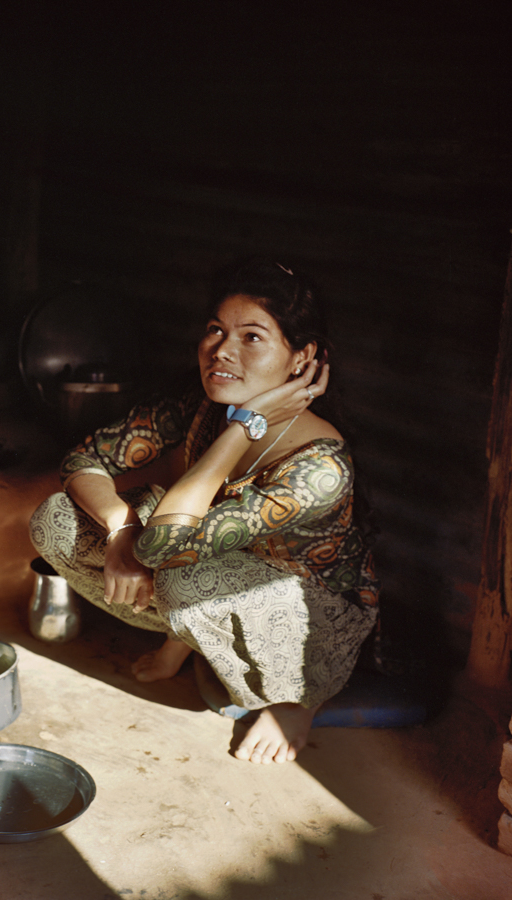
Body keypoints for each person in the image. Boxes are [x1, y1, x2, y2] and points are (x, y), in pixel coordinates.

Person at [30, 258, 380, 765]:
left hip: (316, 619)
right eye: (216, 330)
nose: (221, 350)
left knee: (181, 581)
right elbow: (83, 461)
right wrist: (121, 528)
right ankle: (187, 637)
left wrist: (244, 429)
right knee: (57, 520)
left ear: (302, 357)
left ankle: (297, 697)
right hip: (208, 563)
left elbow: (167, 549)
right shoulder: (200, 404)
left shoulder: (321, 468)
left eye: (252, 337)